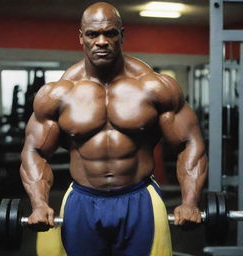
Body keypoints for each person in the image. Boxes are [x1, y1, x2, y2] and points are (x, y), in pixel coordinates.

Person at [20, 2, 207, 256]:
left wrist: (189, 202)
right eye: (92, 34)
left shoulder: (155, 87)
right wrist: (39, 203)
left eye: (110, 33)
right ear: (81, 37)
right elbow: (35, 152)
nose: (101, 41)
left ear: (122, 35)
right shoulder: (58, 94)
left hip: (139, 197)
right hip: (82, 199)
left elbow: (189, 143)